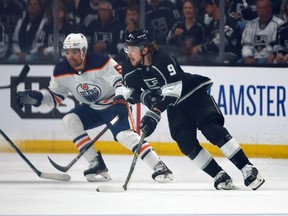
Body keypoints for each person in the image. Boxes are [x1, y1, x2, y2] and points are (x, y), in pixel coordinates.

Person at [16, 33, 174, 183]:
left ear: (84, 51)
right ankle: (96, 164)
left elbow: (121, 81)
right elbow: (55, 97)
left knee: (124, 136)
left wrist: (120, 98)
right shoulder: (61, 71)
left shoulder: (102, 62)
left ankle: (160, 167)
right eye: (67, 52)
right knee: (69, 120)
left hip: (114, 103)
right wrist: (37, 98)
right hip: (91, 108)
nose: (70, 56)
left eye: (75, 51)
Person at [121, 28, 265, 190]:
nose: (129, 53)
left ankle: (247, 168)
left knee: (212, 130)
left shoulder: (164, 60)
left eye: (132, 49)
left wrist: (155, 111)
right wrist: (144, 97)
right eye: (128, 49)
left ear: (145, 49)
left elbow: (173, 91)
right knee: (185, 142)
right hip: (176, 107)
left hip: (194, 95)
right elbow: (129, 92)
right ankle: (219, 174)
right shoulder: (129, 66)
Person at [190, 0, 242, 64]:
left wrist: (200, 48)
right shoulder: (210, 25)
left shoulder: (230, 21)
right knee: (195, 58)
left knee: (218, 61)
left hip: (229, 53)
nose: (205, 9)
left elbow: (222, 41)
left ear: (213, 5)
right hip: (214, 54)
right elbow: (206, 42)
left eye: (206, 6)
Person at [240, 0, 284, 64]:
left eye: (264, 7)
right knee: (238, 63)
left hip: (269, 58)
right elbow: (247, 45)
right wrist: (247, 57)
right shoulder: (250, 25)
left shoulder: (279, 24)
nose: (262, 11)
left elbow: (277, 47)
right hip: (252, 58)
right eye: (259, 8)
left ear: (270, 9)